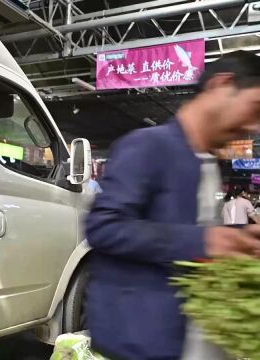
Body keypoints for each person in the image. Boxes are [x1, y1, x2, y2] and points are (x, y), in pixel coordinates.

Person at [85, 51, 260, 360]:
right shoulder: (148, 145)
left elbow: (186, 228)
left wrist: (241, 237)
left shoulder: (206, 163)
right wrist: (203, 241)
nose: (254, 127)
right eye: (255, 108)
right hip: (143, 343)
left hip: (194, 340)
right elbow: (103, 227)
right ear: (222, 85)